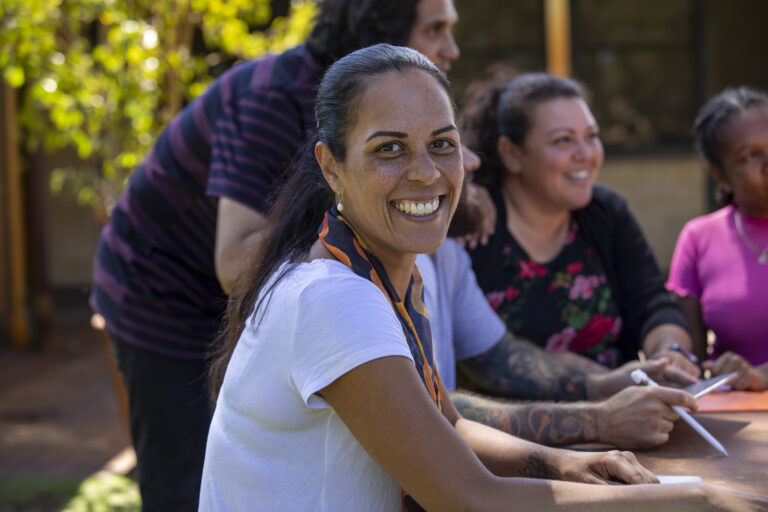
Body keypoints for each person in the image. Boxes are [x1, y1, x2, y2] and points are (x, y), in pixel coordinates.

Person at [201, 44, 766, 512]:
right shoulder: (331, 296)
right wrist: (701, 499)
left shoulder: (391, 272)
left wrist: (567, 461)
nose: (425, 173)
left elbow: (446, 425)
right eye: (389, 149)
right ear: (331, 166)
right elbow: (468, 498)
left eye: (441, 144)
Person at [89, 1, 461, 509]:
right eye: (436, 28)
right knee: (182, 479)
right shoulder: (273, 98)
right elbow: (234, 261)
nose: (451, 49)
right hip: (159, 294)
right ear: (382, 24)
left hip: (247, 299)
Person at [460, 70, 700, 375]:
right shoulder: (476, 224)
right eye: (563, 140)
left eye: (592, 136)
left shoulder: (605, 213)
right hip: (510, 420)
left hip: (623, 411)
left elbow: (652, 304)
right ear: (511, 154)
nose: (586, 154)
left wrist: (669, 352)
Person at [417, 237, 700, 449]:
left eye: (447, 152)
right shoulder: (378, 279)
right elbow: (426, 406)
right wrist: (599, 421)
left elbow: (497, 357)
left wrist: (605, 383)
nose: (473, 162)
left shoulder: (445, 254)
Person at [667, 86, 768, 391]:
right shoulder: (699, 238)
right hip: (739, 418)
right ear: (719, 174)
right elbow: (691, 362)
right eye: (751, 156)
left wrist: (763, 376)